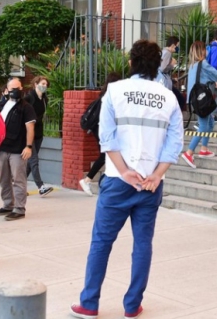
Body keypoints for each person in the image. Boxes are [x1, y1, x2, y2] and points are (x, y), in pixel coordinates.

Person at [70, 39, 183, 319]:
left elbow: (106, 139)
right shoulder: (168, 97)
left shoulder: (115, 91)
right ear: (158, 65)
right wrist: (157, 175)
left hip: (118, 181)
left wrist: (123, 171)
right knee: (142, 244)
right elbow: (175, 143)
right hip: (150, 184)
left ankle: (89, 303)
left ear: (131, 63)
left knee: (101, 242)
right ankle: (132, 306)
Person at [180, 41, 217, 169]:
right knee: (203, 126)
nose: (207, 51)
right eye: (205, 49)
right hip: (201, 100)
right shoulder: (203, 64)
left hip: (195, 100)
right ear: (201, 51)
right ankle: (189, 152)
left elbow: (204, 79)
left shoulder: (193, 65)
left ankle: (204, 149)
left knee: (210, 123)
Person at [0, 77, 36, 221]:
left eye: (18, 88)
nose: (15, 91)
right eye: (12, 89)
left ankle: (19, 208)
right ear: (7, 90)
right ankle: (8, 204)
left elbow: (30, 128)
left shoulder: (26, 107)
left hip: (18, 149)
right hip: (2, 148)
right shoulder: (2, 105)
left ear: (22, 88)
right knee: (3, 178)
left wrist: (28, 147)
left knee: (18, 179)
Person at [79, 72, 122, 197]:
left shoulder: (105, 94)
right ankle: (87, 180)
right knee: (105, 154)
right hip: (101, 128)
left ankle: (97, 180)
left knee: (107, 154)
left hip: (98, 128)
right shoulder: (110, 96)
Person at [24, 76, 54, 196]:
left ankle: (17, 184)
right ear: (35, 84)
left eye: (46, 84)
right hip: (28, 132)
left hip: (39, 133)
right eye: (42, 83)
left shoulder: (44, 100)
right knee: (34, 159)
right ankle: (40, 187)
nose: (44, 86)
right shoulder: (29, 98)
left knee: (30, 163)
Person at [160, 36, 186, 111]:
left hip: (166, 81)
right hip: (165, 83)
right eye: (177, 46)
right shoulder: (167, 53)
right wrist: (172, 65)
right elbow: (162, 69)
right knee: (180, 100)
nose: (177, 48)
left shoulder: (164, 52)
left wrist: (171, 79)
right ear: (173, 45)